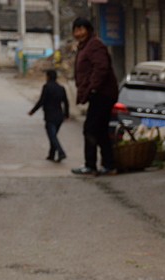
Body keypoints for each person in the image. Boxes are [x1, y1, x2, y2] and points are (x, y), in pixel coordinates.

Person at [70, 17, 118, 176]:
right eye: (76, 30)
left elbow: (101, 67)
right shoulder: (84, 47)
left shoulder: (94, 45)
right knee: (101, 130)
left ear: (88, 30)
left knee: (90, 129)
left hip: (102, 94)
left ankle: (91, 165)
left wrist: (93, 88)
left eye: (82, 29)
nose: (78, 33)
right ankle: (109, 164)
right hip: (99, 94)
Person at [28, 68, 69, 162]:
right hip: (59, 116)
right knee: (53, 135)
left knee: (52, 136)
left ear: (48, 77)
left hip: (50, 115)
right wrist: (66, 114)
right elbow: (66, 102)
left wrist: (33, 111)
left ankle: (61, 152)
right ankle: (51, 155)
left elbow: (41, 101)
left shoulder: (47, 87)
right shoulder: (61, 88)